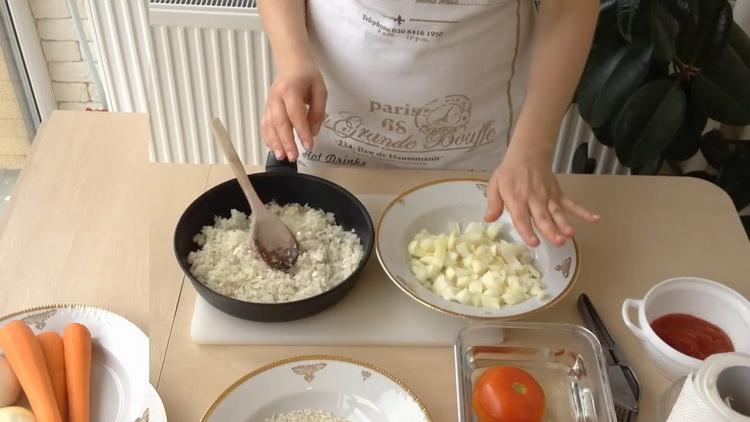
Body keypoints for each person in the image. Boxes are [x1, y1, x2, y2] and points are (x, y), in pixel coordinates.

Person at [258, 0, 600, 248]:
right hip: (338, 117)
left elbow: (569, 7)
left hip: (477, 123)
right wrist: (292, 60)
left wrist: (533, 148)